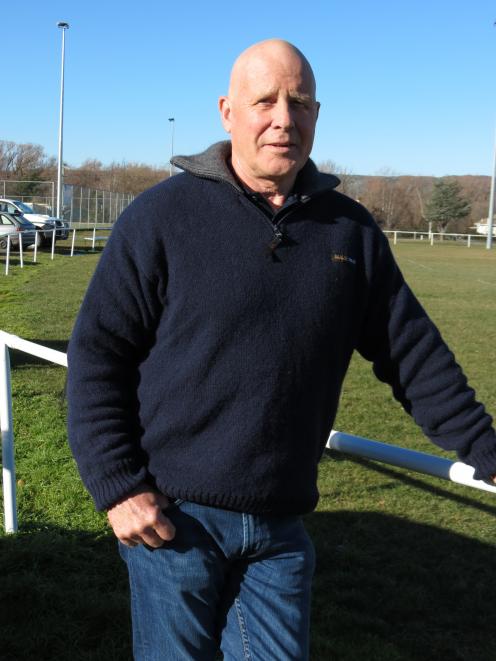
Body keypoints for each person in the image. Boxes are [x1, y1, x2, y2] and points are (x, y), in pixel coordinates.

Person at [67, 39, 496, 660]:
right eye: (263, 100)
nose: (283, 119)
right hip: (171, 518)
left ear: (317, 115)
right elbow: (97, 359)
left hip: (281, 527)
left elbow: (412, 354)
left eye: (299, 102)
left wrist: (486, 447)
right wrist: (117, 486)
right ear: (226, 111)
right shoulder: (160, 218)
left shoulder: (350, 231)